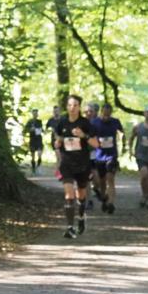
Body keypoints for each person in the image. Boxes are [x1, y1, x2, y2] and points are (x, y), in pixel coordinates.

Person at [53, 94, 100, 239]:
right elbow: (57, 139)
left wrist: (83, 135)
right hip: (66, 163)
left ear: (79, 107)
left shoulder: (85, 124)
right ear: (66, 107)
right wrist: (57, 143)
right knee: (69, 195)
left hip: (82, 164)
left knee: (81, 195)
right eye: (69, 105)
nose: (72, 108)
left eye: (75, 105)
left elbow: (96, 144)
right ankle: (69, 227)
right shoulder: (62, 122)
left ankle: (81, 217)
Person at [91, 103, 124, 214]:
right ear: (101, 112)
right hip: (99, 156)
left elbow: (122, 133)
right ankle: (104, 198)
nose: (106, 116)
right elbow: (90, 136)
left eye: (108, 114)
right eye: (104, 114)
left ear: (111, 113)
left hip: (112, 155)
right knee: (102, 182)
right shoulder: (95, 122)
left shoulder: (115, 122)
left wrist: (123, 144)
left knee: (111, 179)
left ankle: (110, 203)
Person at [23, 109, 44, 175]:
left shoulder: (39, 121)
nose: (35, 114)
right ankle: (33, 169)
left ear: (37, 114)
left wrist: (36, 130)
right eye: (34, 113)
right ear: (32, 114)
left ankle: (38, 167)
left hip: (39, 139)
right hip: (32, 140)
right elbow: (25, 130)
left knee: (39, 154)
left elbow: (41, 130)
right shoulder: (29, 121)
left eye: (36, 113)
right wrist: (30, 130)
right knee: (33, 156)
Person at [45, 105, 63, 180]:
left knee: (62, 158)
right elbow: (46, 130)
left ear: (60, 111)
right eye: (55, 111)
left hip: (63, 140)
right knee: (59, 157)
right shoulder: (51, 120)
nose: (56, 112)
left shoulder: (63, 119)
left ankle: (60, 172)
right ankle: (58, 174)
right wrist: (50, 130)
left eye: (57, 111)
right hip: (54, 141)